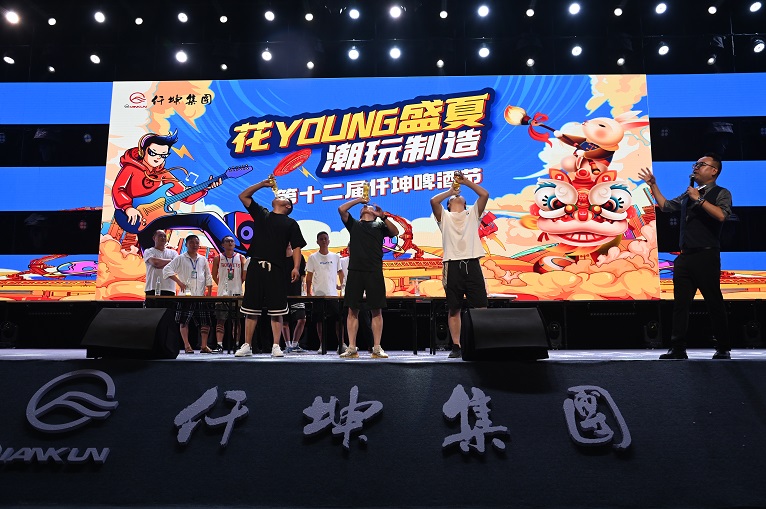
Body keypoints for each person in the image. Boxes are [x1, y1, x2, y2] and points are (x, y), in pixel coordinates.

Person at [639, 152, 733, 360]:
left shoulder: (721, 192)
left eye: (701, 164)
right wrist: (653, 185)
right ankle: (678, 348)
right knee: (680, 304)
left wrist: (699, 199)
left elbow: (721, 215)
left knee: (713, 302)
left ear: (714, 171)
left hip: (706, 255)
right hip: (685, 257)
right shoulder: (689, 194)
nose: (696, 167)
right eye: (696, 164)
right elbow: (666, 206)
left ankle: (723, 347)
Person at [112, 130, 239, 252]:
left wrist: (205, 188)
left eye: (163, 155)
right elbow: (118, 189)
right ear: (143, 150)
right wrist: (128, 207)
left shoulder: (163, 173)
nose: (158, 158)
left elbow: (185, 196)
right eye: (153, 153)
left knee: (208, 218)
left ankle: (235, 251)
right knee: (151, 256)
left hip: (159, 216)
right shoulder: (131, 168)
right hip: (135, 218)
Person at [234, 178, 306, 358]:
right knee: (251, 308)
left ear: (288, 206)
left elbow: (297, 246)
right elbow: (243, 196)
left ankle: (276, 345)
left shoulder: (291, 223)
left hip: (277, 268)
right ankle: (247, 345)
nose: (279, 196)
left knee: (277, 309)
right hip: (256, 266)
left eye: (284, 198)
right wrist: (261, 184)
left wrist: (296, 267)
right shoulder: (262, 214)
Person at [429, 172, 490, 359]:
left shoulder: (472, 214)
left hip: (472, 262)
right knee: (454, 308)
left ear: (465, 204)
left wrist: (466, 182)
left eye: (459, 197)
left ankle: (480, 344)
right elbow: (433, 201)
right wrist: (450, 191)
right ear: (448, 205)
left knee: (480, 308)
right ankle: (456, 345)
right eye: (452, 199)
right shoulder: (444, 217)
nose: (456, 198)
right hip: (452, 264)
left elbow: (484, 194)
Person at [337, 197, 399, 359]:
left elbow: (395, 232)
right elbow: (342, 209)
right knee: (352, 310)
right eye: (363, 207)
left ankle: (377, 348)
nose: (366, 207)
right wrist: (359, 200)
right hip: (355, 271)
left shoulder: (380, 225)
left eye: (369, 206)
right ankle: (352, 348)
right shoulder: (354, 224)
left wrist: (383, 216)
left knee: (376, 310)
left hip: (374, 271)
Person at [162, 234, 214, 354]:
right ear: (186, 244)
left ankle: (204, 346)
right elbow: (167, 269)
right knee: (184, 321)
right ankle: (187, 345)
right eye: (191, 243)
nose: (194, 245)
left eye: (197, 243)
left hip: (200, 295)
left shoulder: (202, 259)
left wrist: (209, 293)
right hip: (186, 295)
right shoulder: (180, 258)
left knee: (205, 322)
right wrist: (179, 282)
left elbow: (208, 276)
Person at [306, 231, 345, 353]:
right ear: (317, 242)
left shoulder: (335, 257)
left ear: (329, 241)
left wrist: (342, 286)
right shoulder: (313, 257)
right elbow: (309, 276)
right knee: (319, 321)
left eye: (325, 239)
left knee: (339, 320)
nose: (323, 241)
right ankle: (322, 344)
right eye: (321, 239)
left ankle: (341, 344)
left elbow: (340, 272)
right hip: (318, 295)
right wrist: (308, 293)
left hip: (332, 295)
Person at [212, 235, 248, 353]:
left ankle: (236, 344)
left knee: (237, 321)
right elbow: (214, 275)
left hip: (237, 293)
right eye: (227, 241)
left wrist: (237, 284)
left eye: (232, 241)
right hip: (222, 294)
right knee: (220, 320)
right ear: (223, 245)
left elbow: (244, 276)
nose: (230, 243)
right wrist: (222, 285)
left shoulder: (241, 257)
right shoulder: (218, 258)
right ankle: (219, 345)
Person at [282, 244, 307, 353]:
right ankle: (288, 345)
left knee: (302, 319)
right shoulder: (279, 257)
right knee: (284, 321)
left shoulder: (300, 258)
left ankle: (295, 344)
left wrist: (303, 291)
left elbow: (302, 276)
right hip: (282, 294)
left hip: (297, 294)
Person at [143, 229, 178, 296]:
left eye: (164, 236)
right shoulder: (148, 251)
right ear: (154, 238)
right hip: (152, 288)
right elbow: (156, 263)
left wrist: (161, 264)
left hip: (169, 289)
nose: (163, 238)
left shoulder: (173, 253)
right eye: (160, 236)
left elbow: (176, 266)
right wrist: (171, 261)